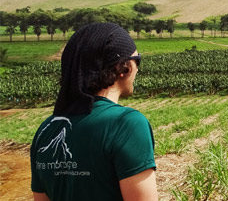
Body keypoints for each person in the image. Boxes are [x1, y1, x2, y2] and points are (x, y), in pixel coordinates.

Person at [30, 23, 157, 201]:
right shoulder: (127, 124)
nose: (138, 68)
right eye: (138, 60)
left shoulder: (46, 130)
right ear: (124, 67)